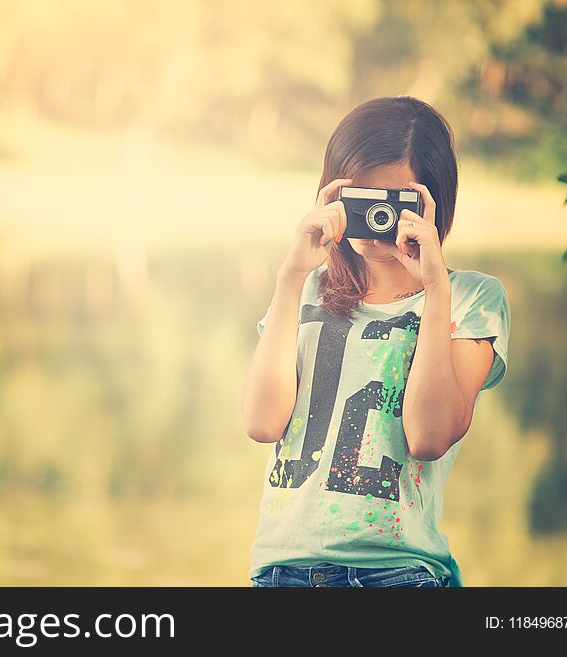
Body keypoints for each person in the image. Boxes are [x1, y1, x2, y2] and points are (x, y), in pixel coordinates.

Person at [241, 96, 511, 588]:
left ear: (431, 202)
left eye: (390, 203)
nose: (374, 218)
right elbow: (261, 424)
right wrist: (290, 274)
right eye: (358, 198)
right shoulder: (304, 290)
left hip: (398, 572)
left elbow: (428, 438)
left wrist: (435, 289)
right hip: (283, 569)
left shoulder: (470, 298)